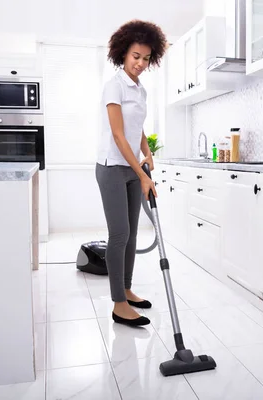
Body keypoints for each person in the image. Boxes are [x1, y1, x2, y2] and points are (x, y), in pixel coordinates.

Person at [96, 20, 167, 327]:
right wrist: (143, 174)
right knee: (119, 235)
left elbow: (135, 129)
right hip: (113, 168)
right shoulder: (114, 85)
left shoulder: (141, 90)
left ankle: (126, 288)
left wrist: (148, 151)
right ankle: (118, 304)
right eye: (136, 56)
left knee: (133, 235)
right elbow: (118, 134)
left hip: (132, 168)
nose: (140, 63)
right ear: (123, 53)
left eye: (146, 58)